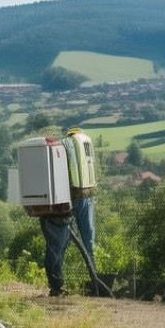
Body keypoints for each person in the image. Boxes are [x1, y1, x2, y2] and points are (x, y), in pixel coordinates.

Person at [42, 127, 98, 297]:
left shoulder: (65, 144)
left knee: (56, 245)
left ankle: (56, 286)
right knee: (88, 240)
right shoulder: (85, 142)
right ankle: (95, 282)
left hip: (65, 199)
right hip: (86, 196)